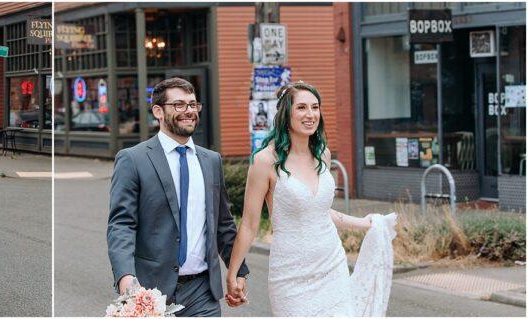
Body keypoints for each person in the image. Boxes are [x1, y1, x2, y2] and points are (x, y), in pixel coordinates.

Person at [225, 81, 395, 316]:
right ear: (286, 113)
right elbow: (249, 224)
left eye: (315, 107)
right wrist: (233, 273)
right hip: (290, 274)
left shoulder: (322, 154)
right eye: (302, 108)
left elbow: (321, 211)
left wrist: (365, 223)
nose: (310, 114)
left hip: (332, 265)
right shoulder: (264, 161)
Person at [107, 78, 249, 317]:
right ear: (158, 111)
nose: (189, 111)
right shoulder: (133, 159)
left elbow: (223, 224)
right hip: (149, 290)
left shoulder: (211, 161)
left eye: (193, 105)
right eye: (179, 105)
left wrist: (239, 272)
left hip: (203, 291)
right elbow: (121, 224)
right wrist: (125, 278)